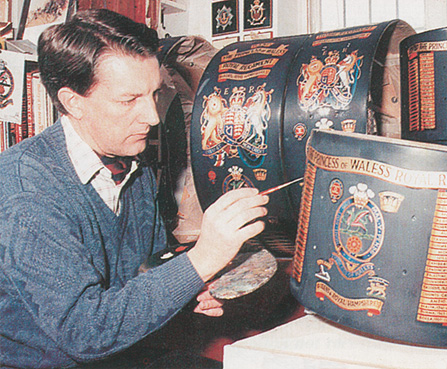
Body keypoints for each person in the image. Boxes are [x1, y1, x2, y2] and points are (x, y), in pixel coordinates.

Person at [0, 9, 269, 368]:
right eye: (129, 100)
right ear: (72, 102)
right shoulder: (26, 192)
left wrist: (190, 289)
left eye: (153, 94)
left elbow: (150, 268)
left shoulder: (130, 164)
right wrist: (200, 261)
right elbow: (86, 332)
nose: (153, 117)